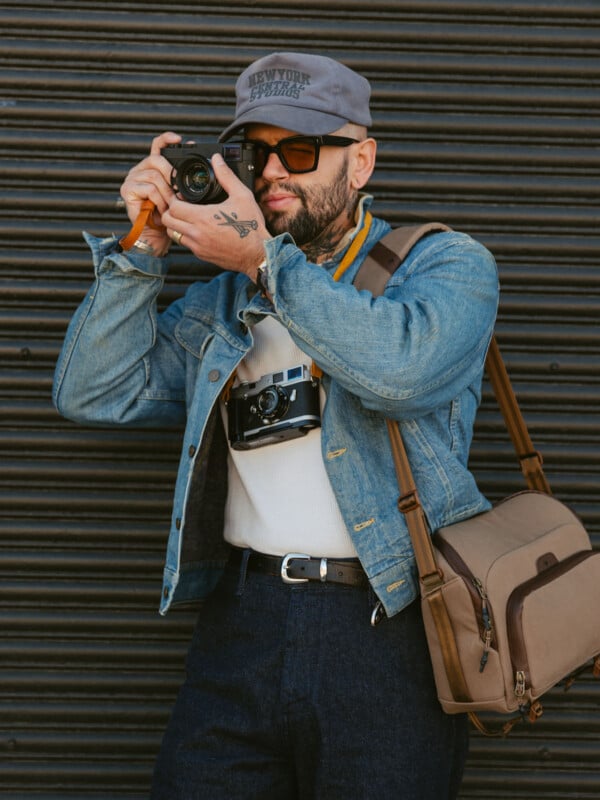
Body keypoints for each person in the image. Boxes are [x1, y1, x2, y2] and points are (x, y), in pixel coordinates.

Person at [53, 51, 499, 799]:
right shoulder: (225, 298)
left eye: (300, 150)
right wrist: (141, 254)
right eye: (255, 153)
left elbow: (401, 371)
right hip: (243, 623)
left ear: (361, 161)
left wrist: (265, 261)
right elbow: (97, 392)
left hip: (387, 627)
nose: (271, 173)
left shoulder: (445, 265)